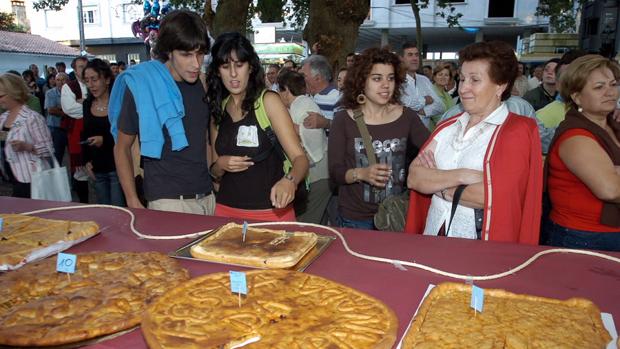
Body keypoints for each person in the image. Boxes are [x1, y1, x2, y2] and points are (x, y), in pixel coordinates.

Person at [405, 41, 542, 244]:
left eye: (475, 80)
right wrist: (464, 176)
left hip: (479, 242)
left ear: (500, 85)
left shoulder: (517, 130)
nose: (463, 88)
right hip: (433, 234)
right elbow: (414, 178)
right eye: (461, 79)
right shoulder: (448, 126)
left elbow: (496, 196)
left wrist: (436, 184)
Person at [110, 10, 214, 214]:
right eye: (186, 54)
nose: (196, 63)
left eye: (200, 54)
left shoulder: (203, 83)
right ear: (168, 51)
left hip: (207, 196)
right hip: (167, 201)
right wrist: (132, 200)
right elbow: (122, 148)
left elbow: (204, 140)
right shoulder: (142, 85)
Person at [206, 32, 309, 222]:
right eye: (225, 66)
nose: (233, 74)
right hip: (226, 210)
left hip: (272, 211)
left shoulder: (268, 101)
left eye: (239, 65)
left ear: (251, 67)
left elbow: (300, 158)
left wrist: (290, 181)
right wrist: (220, 165)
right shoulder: (217, 109)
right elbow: (214, 171)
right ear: (218, 71)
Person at [329, 47, 429, 229]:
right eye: (377, 78)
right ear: (361, 82)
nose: (386, 85)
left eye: (390, 78)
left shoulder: (407, 117)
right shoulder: (343, 120)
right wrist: (362, 173)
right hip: (356, 218)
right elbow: (335, 172)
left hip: (397, 214)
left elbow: (432, 153)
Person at [544, 55, 620, 251]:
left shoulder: (612, 126)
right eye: (599, 87)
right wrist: (612, 174)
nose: (610, 92)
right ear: (577, 97)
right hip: (584, 236)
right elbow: (611, 190)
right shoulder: (575, 136)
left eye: (613, 84)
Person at [277, 69, 330, 224]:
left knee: (307, 223)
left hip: (317, 175)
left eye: (279, 91)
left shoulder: (301, 104)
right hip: (319, 173)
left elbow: (298, 132)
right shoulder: (303, 103)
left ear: (286, 90)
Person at [0, 73, 53, 198]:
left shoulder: (32, 118)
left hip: (33, 180)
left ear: (14, 93)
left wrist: (27, 147)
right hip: (13, 177)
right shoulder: (2, 118)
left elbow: (48, 150)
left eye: (1, 95)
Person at [82, 59, 125, 206]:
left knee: (119, 210)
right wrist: (86, 161)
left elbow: (125, 134)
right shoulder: (87, 104)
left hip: (117, 166)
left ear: (106, 79)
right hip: (97, 167)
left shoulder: (118, 103)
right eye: (87, 81)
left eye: (94, 79)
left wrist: (104, 140)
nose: (90, 85)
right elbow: (85, 133)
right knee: (104, 209)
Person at [61, 55, 89, 203]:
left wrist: (82, 103)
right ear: (75, 70)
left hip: (95, 130)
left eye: (86, 66)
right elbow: (69, 109)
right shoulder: (68, 86)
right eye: (81, 67)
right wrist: (89, 105)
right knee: (80, 171)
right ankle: (84, 202)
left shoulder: (95, 83)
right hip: (77, 134)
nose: (84, 70)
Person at [399, 42, 444, 129]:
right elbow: (403, 104)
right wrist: (425, 100)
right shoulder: (397, 81)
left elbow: (440, 106)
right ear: (401, 59)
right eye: (410, 55)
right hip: (403, 136)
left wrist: (423, 111)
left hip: (423, 135)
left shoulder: (424, 80)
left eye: (416, 55)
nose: (414, 58)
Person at [299, 55, 340, 129]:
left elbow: (347, 128)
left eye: (304, 76)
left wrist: (326, 123)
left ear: (317, 78)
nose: (300, 79)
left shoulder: (337, 98)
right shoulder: (306, 96)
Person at [44, 72, 69, 164]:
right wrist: (68, 112)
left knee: (74, 156)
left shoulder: (72, 92)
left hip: (69, 128)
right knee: (57, 156)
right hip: (56, 129)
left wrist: (59, 108)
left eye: (63, 80)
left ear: (68, 81)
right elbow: (51, 110)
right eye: (58, 80)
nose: (60, 82)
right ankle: (56, 177)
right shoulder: (50, 93)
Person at [431, 63, 456, 127]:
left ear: (449, 78)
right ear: (434, 77)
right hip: (433, 132)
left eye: (446, 75)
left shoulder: (447, 95)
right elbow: (435, 117)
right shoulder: (430, 92)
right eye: (440, 74)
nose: (443, 77)